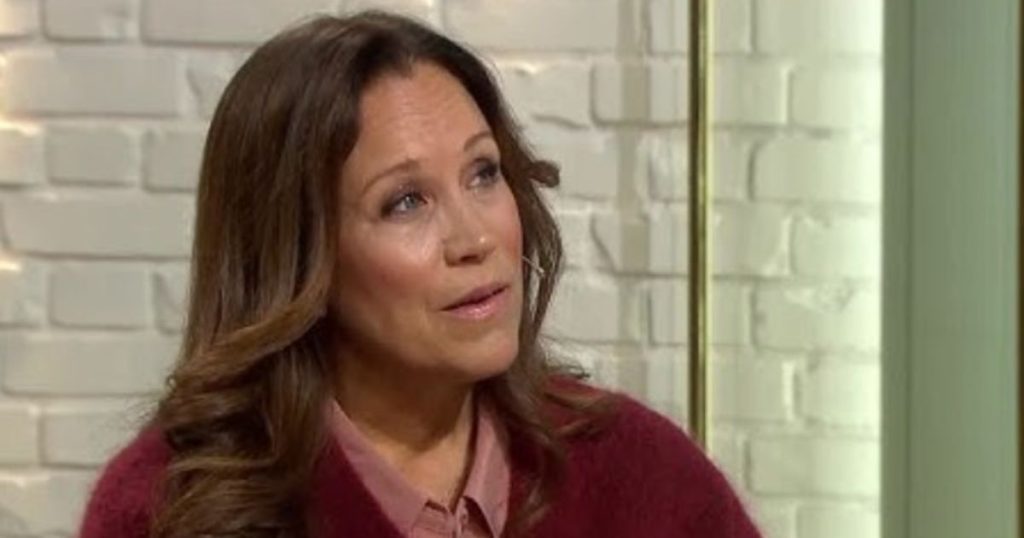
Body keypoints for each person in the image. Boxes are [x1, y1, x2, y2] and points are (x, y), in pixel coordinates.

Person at [78, 11, 761, 538]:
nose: (476, 238)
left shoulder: (639, 472)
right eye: (405, 202)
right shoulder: (167, 510)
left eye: (483, 173)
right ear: (300, 256)